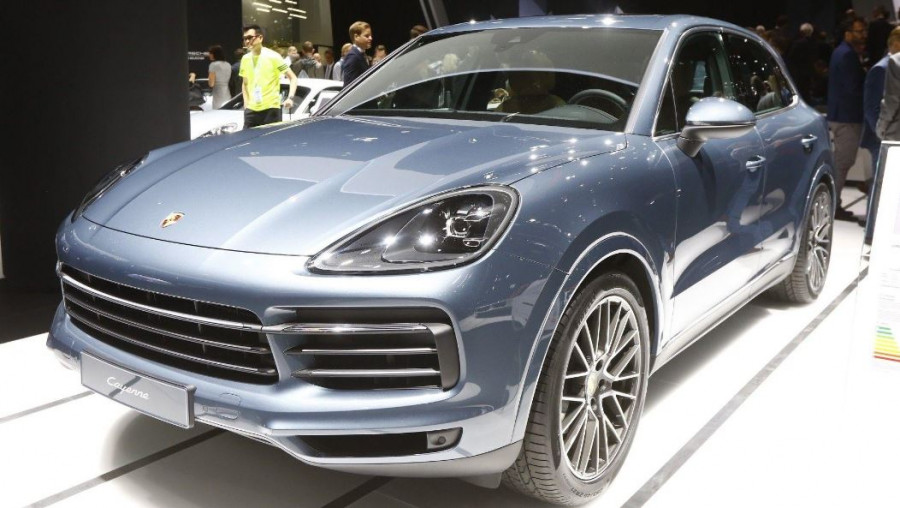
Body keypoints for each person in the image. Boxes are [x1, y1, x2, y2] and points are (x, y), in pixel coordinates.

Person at [827, 16, 867, 220]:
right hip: (847, 116)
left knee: (841, 162)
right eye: (859, 31)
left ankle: (833, 203)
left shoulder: (841, 52)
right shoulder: (847, 55)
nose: (863, 35)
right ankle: (833, 206)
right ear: (848, 33)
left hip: (841, 114)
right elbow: (853, 88)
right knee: (843, 162)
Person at [239, 24, 297, 128]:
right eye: (245, 38)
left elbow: (293, 78)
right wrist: (246, 104)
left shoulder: (274, 57)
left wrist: (290, 98)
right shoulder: (245, 59)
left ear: (260, 38)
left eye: (250, 38)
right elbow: (245, 83)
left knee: (272, 139)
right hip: (251, 111)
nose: (247, 41)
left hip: (271, 109)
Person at [343, 21, 372, 85]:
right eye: (367, 36)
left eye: (370, 35)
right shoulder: (352, 57)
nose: (371, 38)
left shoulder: (361, 55)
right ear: (356, 37)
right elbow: (349, 86)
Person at [207, 45, 232, 109]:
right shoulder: (228, 64)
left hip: (218, 94)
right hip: (227, 93)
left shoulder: (213, 65)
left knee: (218, 112)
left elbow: (211, 84)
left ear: (214, 54)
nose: (209, 55)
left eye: (210, 53)